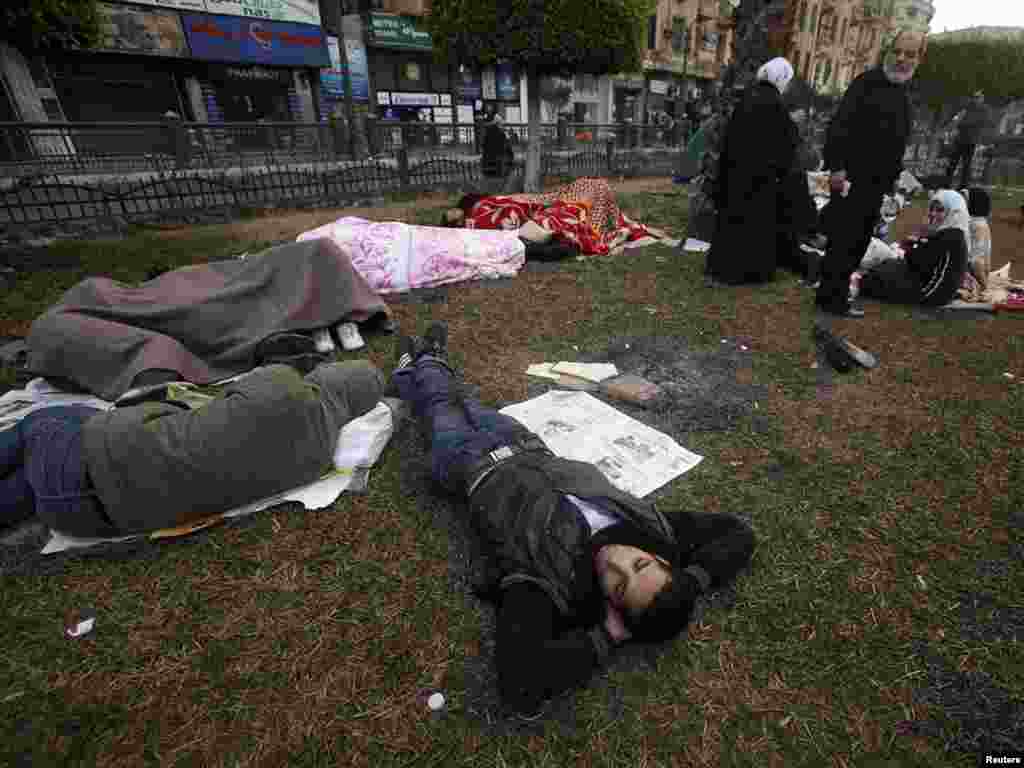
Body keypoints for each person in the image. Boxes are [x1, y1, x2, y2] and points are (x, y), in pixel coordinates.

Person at [390, 322, 756, 716]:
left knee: (439, 402)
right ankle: (416, 367)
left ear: (612, 606)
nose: (616, 563)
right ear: (660, 558)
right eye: (639, 564)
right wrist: (693, 583)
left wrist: (607, 637)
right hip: (522, 441)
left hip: (466, 461)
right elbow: (739, 534)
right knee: (463, 398)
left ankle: (423, 360)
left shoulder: (552, 584)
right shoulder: (652, 530)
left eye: (619, 586)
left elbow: (521, 685)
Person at [0, 361, 384, 535]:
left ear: (333, 373)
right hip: (88, 518)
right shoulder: (319, 461)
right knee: (39, 479)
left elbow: (228, 396)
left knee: (44, 422)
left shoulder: (284, 382)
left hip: (90, 459)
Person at [815, 28, 927, 318]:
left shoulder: (902, 94)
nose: (901, 59)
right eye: (897, 52)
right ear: (887, 53)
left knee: (858, 241)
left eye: (909, 54)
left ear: (918, 59)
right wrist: (837, 167)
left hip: (876, 185)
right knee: (844, 240)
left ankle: (833, 295)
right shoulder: (866, 83)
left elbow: (894, 144)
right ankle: (831, 298)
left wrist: (895, 182)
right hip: (852, 178)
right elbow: (839, 126)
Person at [705, 57, 799, 284]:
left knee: (731, 223)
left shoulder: (747, 98)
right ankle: (747, 272)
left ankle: (720, 268)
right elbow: (787, 145)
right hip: (761, 179)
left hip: (734, 173)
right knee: (754, 225)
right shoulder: (776, 105)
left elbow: (729, 139)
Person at [859, 189, 968, 307]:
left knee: (876, 276)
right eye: (932, 209)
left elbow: (917, 262)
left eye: (940, 210)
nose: (933, 213)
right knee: (886, 266)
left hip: (929, 294)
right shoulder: (953, 233)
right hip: (932, 289)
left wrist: (914, 244)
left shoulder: (950, 236)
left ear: (953, 212)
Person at [945, 92, 994, 191]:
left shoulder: (983, 110)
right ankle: (946, 183)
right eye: (974, 97)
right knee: (953, 162)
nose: (975, 99)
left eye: (978, 97)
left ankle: (963, 186)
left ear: (982, 98)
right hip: (960, 139)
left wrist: (961, 123)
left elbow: (976, 122)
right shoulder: (967, 107)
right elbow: (957, 119)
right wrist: (957, 123)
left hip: (971, 141)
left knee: (966, 165)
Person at [961, 186, 992, 295]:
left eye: (965, 200)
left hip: (974, 276)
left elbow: (976, 260)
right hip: (978, 273)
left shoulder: (974, 225)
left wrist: (984, 286)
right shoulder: (980, 222)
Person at [481, 112, 517, 194]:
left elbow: (483, 146)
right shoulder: (501, 134)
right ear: (498, 124)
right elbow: (507, 149)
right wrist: (508, 138)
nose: (503, 126)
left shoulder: (487, 133)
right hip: (499, 164)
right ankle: (504, 190)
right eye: (502, 124)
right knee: (511, 166)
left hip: (486, 163)